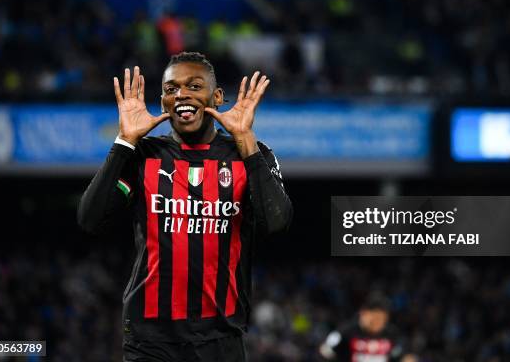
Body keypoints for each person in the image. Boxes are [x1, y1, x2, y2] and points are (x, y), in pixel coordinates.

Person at [77, 51, 293, 361]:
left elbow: (277, 223)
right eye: (171, 89)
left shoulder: (249, 155)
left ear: (216, 96)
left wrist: (245, 140)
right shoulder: (143, 155)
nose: (181, 95)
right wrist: (124, 142)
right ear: (163, 100)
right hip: (149, 340)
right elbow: (90, 219)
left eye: (194, 86)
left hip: (221, 338)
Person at [319, 293, 416, 362]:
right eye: (375, 318)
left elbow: (403, 355)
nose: (379, 323)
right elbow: (325, 349)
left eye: (383, 319)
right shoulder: (346, 332)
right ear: (364, 313)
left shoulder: (391, 334)